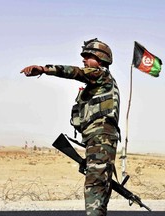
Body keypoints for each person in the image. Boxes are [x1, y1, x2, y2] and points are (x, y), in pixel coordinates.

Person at [21, 38, 120, 216]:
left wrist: (45, 69)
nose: (83, 60)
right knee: (97, 183)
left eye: (87, 56)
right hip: (96, 139)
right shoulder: (97, 84)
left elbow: (75, 72)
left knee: (95, 186)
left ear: (100, 59)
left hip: (101, 138)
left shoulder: (101, 75)